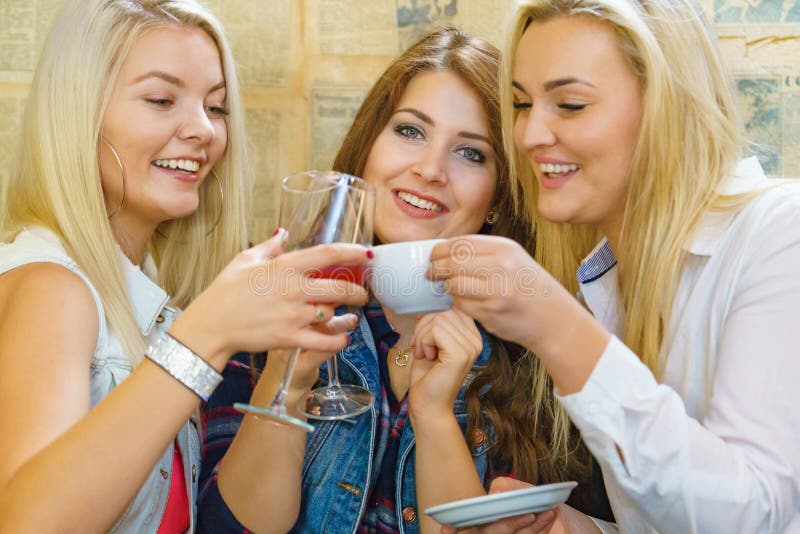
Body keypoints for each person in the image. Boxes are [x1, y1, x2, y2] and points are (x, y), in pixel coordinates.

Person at [197, 28, 612, 534]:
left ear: (501, 193)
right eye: (411, 131)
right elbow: (226, 527)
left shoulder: (538, 351)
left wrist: (434, 416)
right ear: (368, 147)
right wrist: (286, 376)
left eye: (471, 153)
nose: (430, 169)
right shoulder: (266, 299)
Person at [428, 0, 800, 532]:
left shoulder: (782, 231)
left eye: (571, 104)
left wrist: (556, 327)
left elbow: (754, 515)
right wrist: (574, 529)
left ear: (666, 106)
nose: (530, 135)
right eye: (521, 103)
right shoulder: (608, 278)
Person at [0, 1, 369, 531]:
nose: (204, 130)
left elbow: (243, 522)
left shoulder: (148, 299)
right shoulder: (51, 285)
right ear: (76, 112)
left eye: (215, 107)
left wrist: (291, 368)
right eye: (160, 99)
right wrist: (206, 335)